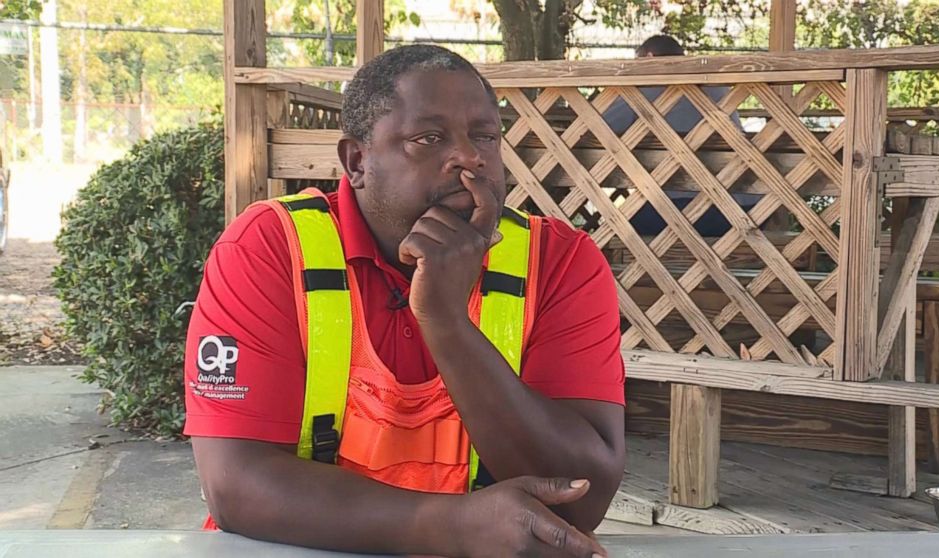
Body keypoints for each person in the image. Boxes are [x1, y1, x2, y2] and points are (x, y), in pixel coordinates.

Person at [184, 44, 625, 557]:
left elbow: (579, 497)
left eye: (484, 135)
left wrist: (446, 323)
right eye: (428, 138)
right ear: (357, 161)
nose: (469, 157)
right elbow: (235, 486)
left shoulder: (559, 261)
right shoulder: (268, 248)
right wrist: (452, 528)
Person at [602, 34, 761, 238]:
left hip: (679, 207)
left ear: (649, 59)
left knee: (614, 226)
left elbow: (596, 126)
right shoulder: (719, 88)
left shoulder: (646, 89)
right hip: (744, 210)